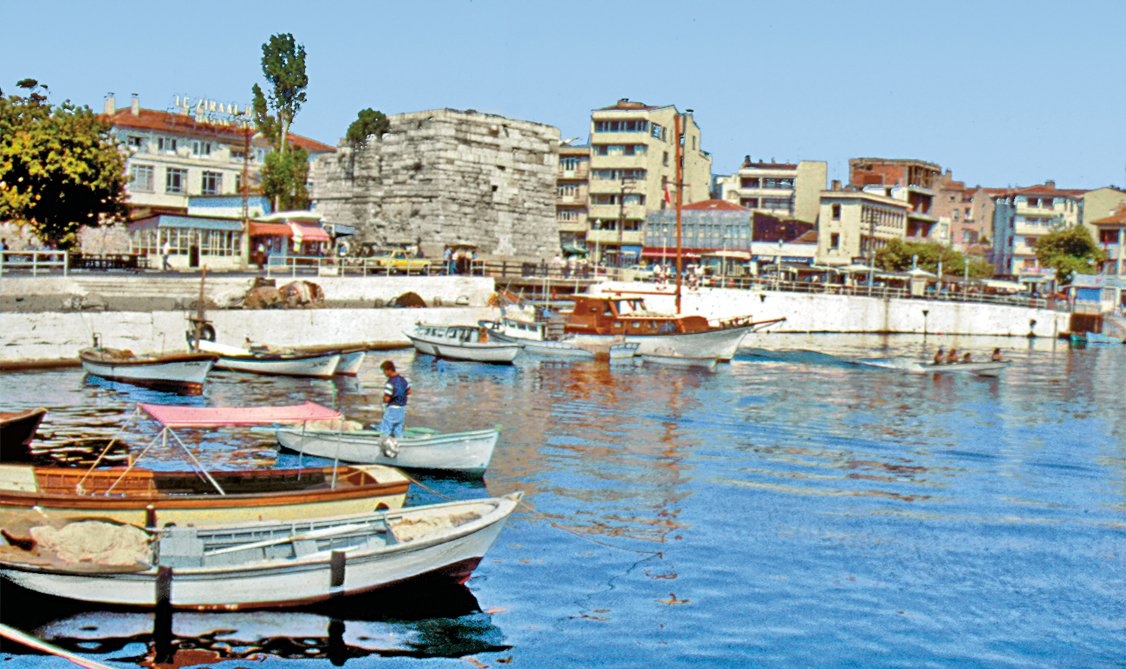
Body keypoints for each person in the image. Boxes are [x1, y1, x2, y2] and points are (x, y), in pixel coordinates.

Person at [379, 360, 411, 440]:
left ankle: (384, 443)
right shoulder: (403, 380)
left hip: (392, 408)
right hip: (402, 408)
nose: (384, 373)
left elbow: (387, 399)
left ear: (389, 370)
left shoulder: (390, 382)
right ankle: (400, 443)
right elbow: (409, 391)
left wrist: (383, 399)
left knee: (386, 428)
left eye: (384, 371)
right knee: (398, 429)